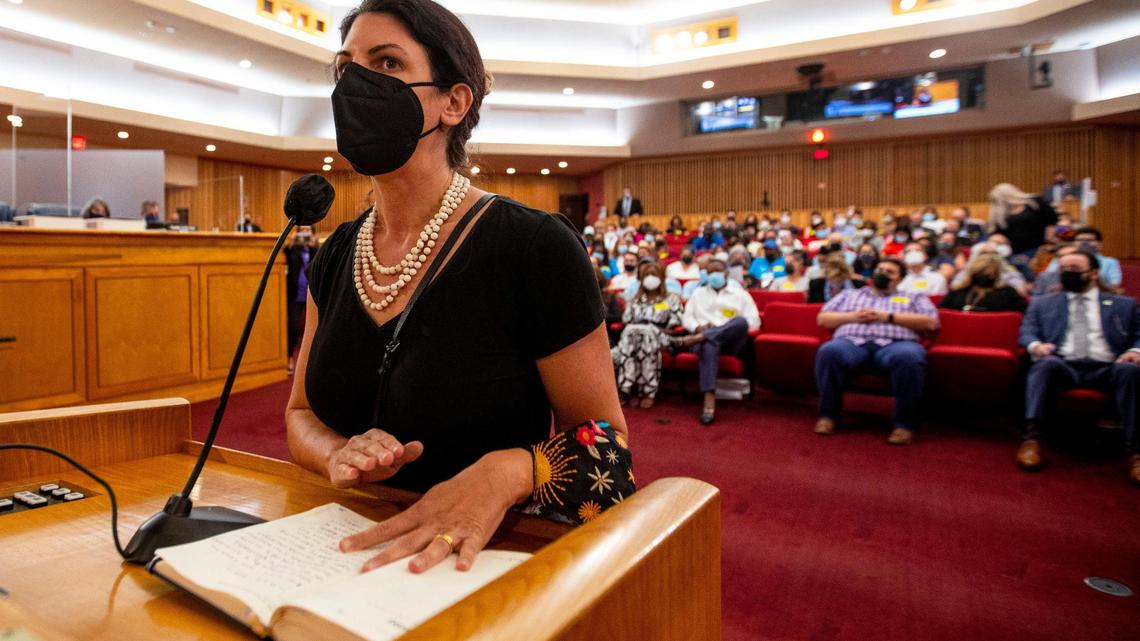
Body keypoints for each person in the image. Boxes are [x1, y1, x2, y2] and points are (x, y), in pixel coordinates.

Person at [287, 0, 633, 576]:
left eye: (388, 63)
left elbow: (608, 447)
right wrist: (336, 455)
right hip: (346, 545)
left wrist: (504, 472)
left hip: (479, 558)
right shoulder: (335, 254)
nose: (358, 85)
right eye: (347, 68)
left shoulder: (534, 246)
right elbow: (300, 414)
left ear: (453, 102)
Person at [1017, 250, 1140, 486]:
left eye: (1075, 270)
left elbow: (1138, 335)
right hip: (1065, 365)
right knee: (1044, 365)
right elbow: (1027, 332)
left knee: (1130, 371)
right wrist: (1036, 345)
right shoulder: (1043, 303)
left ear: (1093, 273)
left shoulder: (1124, 305)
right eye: (1064, 270)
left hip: (1110, 367)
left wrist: (1135, 352)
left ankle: (1134, 451)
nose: (1068, 274)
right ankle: (1032, 439)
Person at [814, 257, 940, 444]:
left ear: (899, 278)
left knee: (909, 357)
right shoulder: (851, 294)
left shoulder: (914, 297)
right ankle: (828, 416)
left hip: (896, 344)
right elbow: (823, 318)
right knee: (829, 351)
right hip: (852, 342)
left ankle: (904, 424)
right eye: (880, 269)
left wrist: (886, 316)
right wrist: (854, 317)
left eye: (889, 272)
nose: (882, 273)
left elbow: (931, 323)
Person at [681, 258, 760, 425]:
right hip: (702, 341)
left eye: (718, 271)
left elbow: (754, 321)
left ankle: (708, 335)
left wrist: (720, 330)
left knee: (740, 322)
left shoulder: (740, 294)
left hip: (731, 343)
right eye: (710, 272)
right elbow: (687, 317)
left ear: (726, 274)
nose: (714, 275)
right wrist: (697, 328)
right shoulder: (698, 293)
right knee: (709, 344)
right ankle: (709, 399)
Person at [612, 263, 684, 409]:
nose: (650, 279)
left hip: (661, 336)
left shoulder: (671, 299)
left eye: (654, 275)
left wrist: (652, 329)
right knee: (636, 332)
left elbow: (675, 326)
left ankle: (632, 389)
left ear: (661, 278)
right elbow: (626, 321)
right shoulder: (635, 300)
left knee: (646, 333)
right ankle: (641, 390)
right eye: (647, 276)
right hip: (633, 339)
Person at [988, 182, 1056, 268]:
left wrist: (1048, 241)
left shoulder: (1034, 201)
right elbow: (997, 233)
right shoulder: (1000, 214)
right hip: (1016, 251)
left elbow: (1051, 220)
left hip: (1040, 247)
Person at [940, 253, 1028, 313]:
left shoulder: (1007, 293)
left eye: (988, 274)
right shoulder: (957, 292)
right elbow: (941, 313)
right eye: (980, 272)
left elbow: (1024, 317)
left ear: (995, 274)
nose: (984, 276)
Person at [285, 226, 319, 374]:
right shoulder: (293, 250)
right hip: (296, 294)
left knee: (316, 330)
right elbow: (284, 256)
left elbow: (319, 267)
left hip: (312, 294)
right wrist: (291, 243)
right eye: (302, 230)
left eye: (308, 230)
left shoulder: (316, 250)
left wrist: (315, 246)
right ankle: (289, 358)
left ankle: (313, 364)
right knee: (293, 328)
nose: (305, 233)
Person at [1044, 226, 1122, 288]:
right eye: (1080, 240)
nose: (1084, 243)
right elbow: (1048, 279)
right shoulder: (1061, 259)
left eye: (1089, 240)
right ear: (1073, 243)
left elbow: (1114, 284)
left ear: (1099, 244)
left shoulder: (1110, 262)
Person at [596, 266, 623, 347]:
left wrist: (600, 316)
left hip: (606, 331)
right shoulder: (586, 298)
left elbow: (617, 317)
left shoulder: (609, 296)